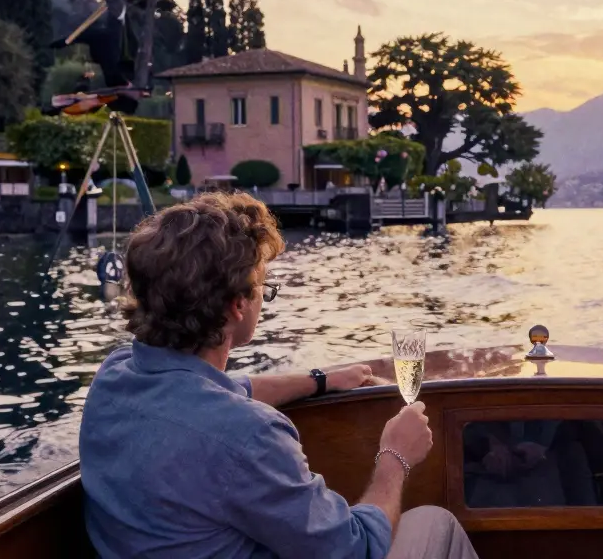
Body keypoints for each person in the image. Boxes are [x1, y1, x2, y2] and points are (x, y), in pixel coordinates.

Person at [79, 192, 478, 559]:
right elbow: (356, 548)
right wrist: (396, 456)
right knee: (435, 523)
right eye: (263, 289)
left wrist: (321, 380)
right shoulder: (249, 434)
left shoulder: (115, 376)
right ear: (237, 305)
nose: (263, 300)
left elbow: (225, 392)